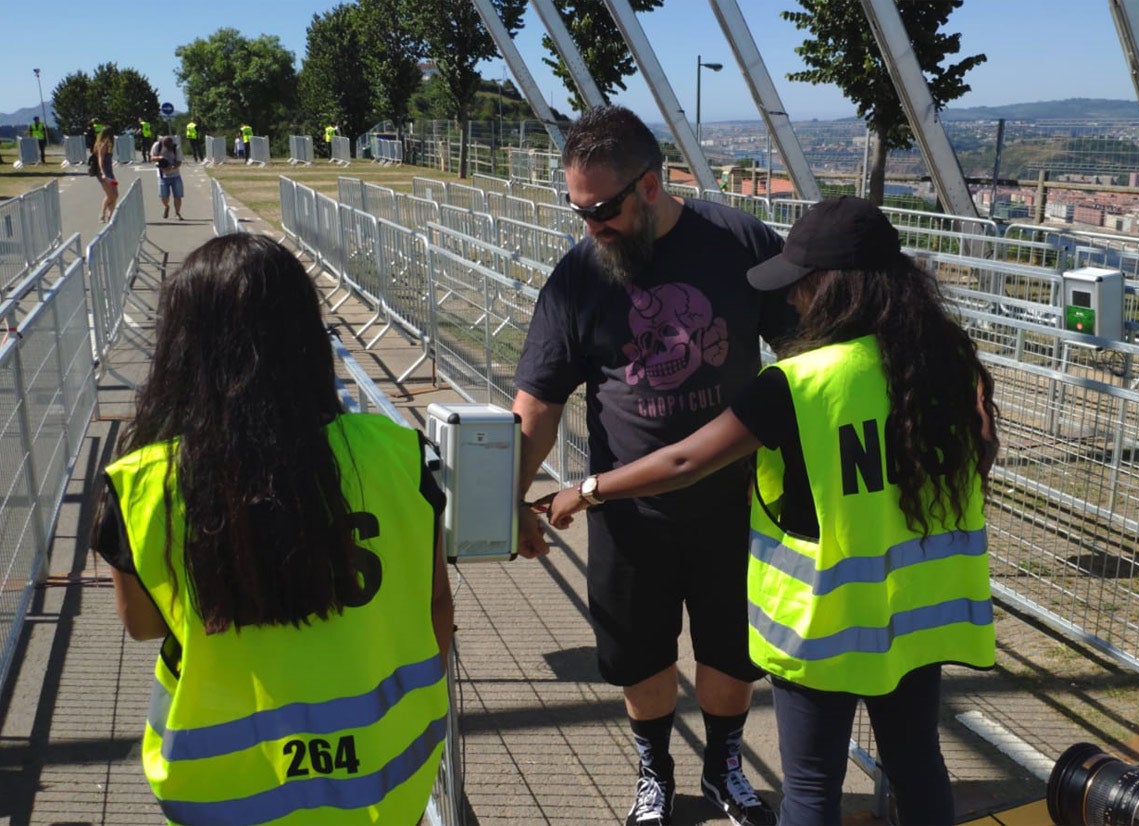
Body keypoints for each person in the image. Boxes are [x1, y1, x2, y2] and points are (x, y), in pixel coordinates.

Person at [546, 196, 999, 826]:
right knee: (918, 763)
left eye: (802, 286)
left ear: (835, 290)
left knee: (811, 786)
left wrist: (589, 488)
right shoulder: (949, 363)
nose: (793, 303)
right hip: (920, 614)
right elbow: (978, 459)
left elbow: (683, 462)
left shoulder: (800, 382)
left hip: (827, 622)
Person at [91, 234, 454, 824]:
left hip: (221, 787)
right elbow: (435, 604)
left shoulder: (143, 483)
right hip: (386, 778)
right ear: (307, 338)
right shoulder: (399, 455)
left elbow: (142, 624)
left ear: (183, 348)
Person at [512, 105, 792, 826]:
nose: (590, 226)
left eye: (602, 209)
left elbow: (808, 355)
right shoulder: (579, 276)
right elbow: (536, 403)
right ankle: (655, 771)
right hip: (629, 513)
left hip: (737, 505)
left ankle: (724, 766)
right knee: (640, 656)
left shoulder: (739, 242)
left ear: (652, 183)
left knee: (732, 650)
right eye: (577, 209)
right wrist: (505, 500)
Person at [151, 136, 184, 220]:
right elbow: (152, 158)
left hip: (175, 175)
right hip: (162, 175)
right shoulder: (157, 146)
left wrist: (172, 168)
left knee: (178, 196)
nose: (168, 147)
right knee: (164, 196)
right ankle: (166, 206)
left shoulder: (176, 148)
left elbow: (179, 161)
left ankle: (177, 213)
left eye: (170, 145)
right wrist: (160, 158)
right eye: (167, 145)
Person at [93, 126, 118, 223]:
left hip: (110, 172)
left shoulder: (108, 144)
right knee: (110, 194)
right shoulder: (102, 144)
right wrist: (103, 173)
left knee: (115, 194)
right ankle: (103, 214)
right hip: (104, 172)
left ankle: (110, 215)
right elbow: (100, 159)